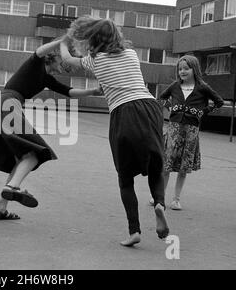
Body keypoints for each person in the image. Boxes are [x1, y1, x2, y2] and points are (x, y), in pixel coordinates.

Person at [60, 16, 169, 246]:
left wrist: (63, 41)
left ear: (92, 39)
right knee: (156, 165)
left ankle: (134, 231)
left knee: (125, 177)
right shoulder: (131, 54)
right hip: (150, 107)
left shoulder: (95, 60)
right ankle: (159, 203)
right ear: (116, 35)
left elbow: (67, 59)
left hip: (124, 112)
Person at [0, 36, 101, 221]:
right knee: (36, 153)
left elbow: (69, 92)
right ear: (53, 57)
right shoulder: (35, 64)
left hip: (4, 106)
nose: (65, 65)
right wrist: (63, 41)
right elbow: (40, 50)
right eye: (63, 59)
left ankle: (0, 208)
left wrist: (92, 91)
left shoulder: (47, 79)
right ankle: (12, 188)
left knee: (21, 160)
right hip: (8, 105)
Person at [150, 55, 224, 210]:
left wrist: (203, 111)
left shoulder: (202, 87)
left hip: (191, 131)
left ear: (194, 69)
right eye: (180, 69)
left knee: (183, 167)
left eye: (186, 68)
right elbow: (161, 98)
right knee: (167, 165)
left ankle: (176, 199)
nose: (182, 71)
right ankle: (159, 198)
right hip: (174, 129)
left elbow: (219, 101)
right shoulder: (175, 86)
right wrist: (170, 107)